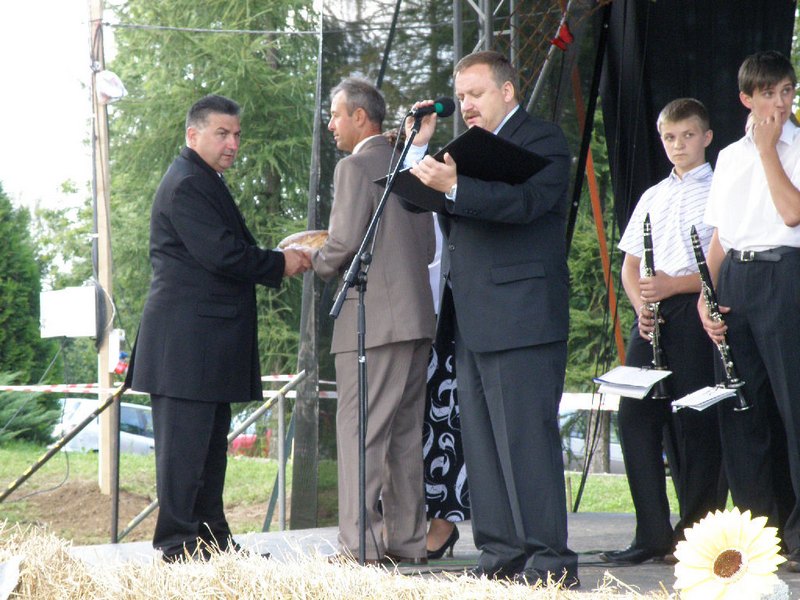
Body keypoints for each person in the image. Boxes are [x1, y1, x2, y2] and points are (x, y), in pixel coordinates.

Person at [406, 50, 578, 587]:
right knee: (480, 444)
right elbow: (416, 201)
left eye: (476, 94)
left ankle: (549, 561)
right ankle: (500, 553)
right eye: (461, 96)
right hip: (473, 318)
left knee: (526, 440)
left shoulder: (542, 139)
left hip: (523, 317)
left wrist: (456, 188)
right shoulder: (465, 150)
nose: (466, 105)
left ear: (507, 91)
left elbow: (526, 204)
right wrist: (418, 151)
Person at [125, 94, 311, 562]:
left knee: (208, 454)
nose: (232, 144)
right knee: (185, 455)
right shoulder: (188, 183)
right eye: (222, 133)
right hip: (185, 345)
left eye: (237, 135)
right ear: (193, 135)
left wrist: (276, 257)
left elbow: (223, 250)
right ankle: (179, 547)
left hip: (202, 345)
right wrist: (281, 262)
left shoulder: (202, 178)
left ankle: (212, 544)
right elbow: (222, 253)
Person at [311, 78, 436, 564]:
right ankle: (407, 542)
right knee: (403, 437)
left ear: (360, 117)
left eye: (335, 114)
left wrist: (310, 258)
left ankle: (358, 548)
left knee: (359, 434)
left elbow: (342, 244)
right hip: (416, 320)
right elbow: (428, 246)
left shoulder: (354, 166)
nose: (331, 124)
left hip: (373, 323)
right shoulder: (409, 166)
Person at [599, 98, 726, 566]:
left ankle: (694, 534)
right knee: (634, 416)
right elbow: (631, 266)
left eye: (688, 135)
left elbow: (721, 260)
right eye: (670, 137)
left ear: (706, 137)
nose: (678, 145)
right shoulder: (653, 194)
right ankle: (650, 533)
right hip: (652, 316)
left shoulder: (719, 188)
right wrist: (641, 307)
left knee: (695, 421)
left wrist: (674, 285)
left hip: (695, 307)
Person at [699, 50, 800, 570]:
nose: (779, 104)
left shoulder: (795, 145)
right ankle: (759, 536)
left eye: (787, 91)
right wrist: (705, 292)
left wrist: (769, 151)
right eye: (768, 94)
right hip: (735, 278)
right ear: (746, 99)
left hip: (785, 273)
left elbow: (791, 212)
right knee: (742, 409)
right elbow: (721, 233)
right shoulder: (730, 157)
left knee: (793, 406)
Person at [423, 217, 469, 560]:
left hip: (451, 310)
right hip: (411, 310)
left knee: (445, 422)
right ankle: (404, 521)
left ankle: (443, 521)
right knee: (414, 424)